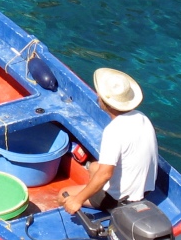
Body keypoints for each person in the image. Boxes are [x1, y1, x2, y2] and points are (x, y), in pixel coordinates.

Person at [60, 68, 158, 215]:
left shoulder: (113, 131)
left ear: (108, 103)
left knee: (63, 195)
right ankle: (93, 188)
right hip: (146, 190)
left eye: (100, 94)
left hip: (121, 201)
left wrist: (77, 200)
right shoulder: (142, 117)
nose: (98, 95)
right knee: (93, 166)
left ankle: (95, 196)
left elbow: (105, 174)